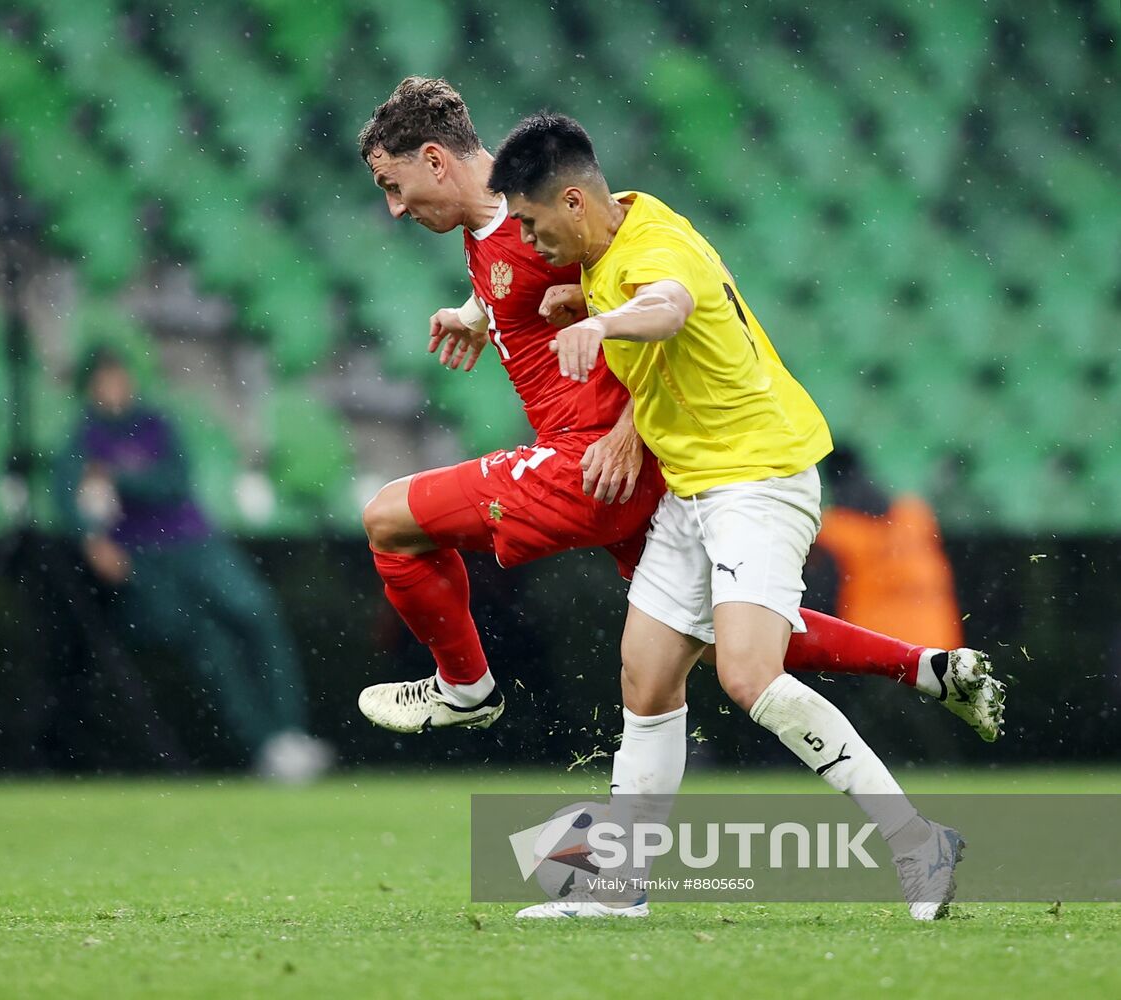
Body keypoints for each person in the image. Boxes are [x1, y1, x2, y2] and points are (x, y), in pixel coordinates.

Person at [354, 78, 1003, 742]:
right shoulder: (508, 223)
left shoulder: (552, 222)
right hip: (615, 471)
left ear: (435, 159)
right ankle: (932, 670)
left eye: (393, 185)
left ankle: (465, 688)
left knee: (389, 520)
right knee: (734, 634)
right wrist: (473, 315)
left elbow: (667, 311)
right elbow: (530, 286)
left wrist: (628, 429)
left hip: (584, 461)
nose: (396, 207)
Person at [489, 112, 982, 920]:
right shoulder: (615, 237)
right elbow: (650, 315)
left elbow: (672, 306)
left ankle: (916, 840)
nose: (533, 243)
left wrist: (602, 323)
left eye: (537, 225)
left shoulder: (654, 253)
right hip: (695, 488)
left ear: (574, 202)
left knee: (748, 675)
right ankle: (617, 889)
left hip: (759, 481)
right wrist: (572, 332)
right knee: (645, 677)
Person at [55, 349, 333, 783]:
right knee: (207, 643)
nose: (112, 389)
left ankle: (291, 732)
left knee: (257, 615)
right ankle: (266, 745)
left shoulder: (155, 425)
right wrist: (92, 537)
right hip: (143, 558)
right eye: (103, 380)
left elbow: (172, 483)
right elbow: (69, 500)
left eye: (118, 378)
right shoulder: (82, 437)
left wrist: (117, 478)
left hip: (194, 542)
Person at [810, 447, 965, 651]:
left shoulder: (833, 530)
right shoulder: (915, 514)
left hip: (877, 648)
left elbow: (817, 599)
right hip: (936, 641)